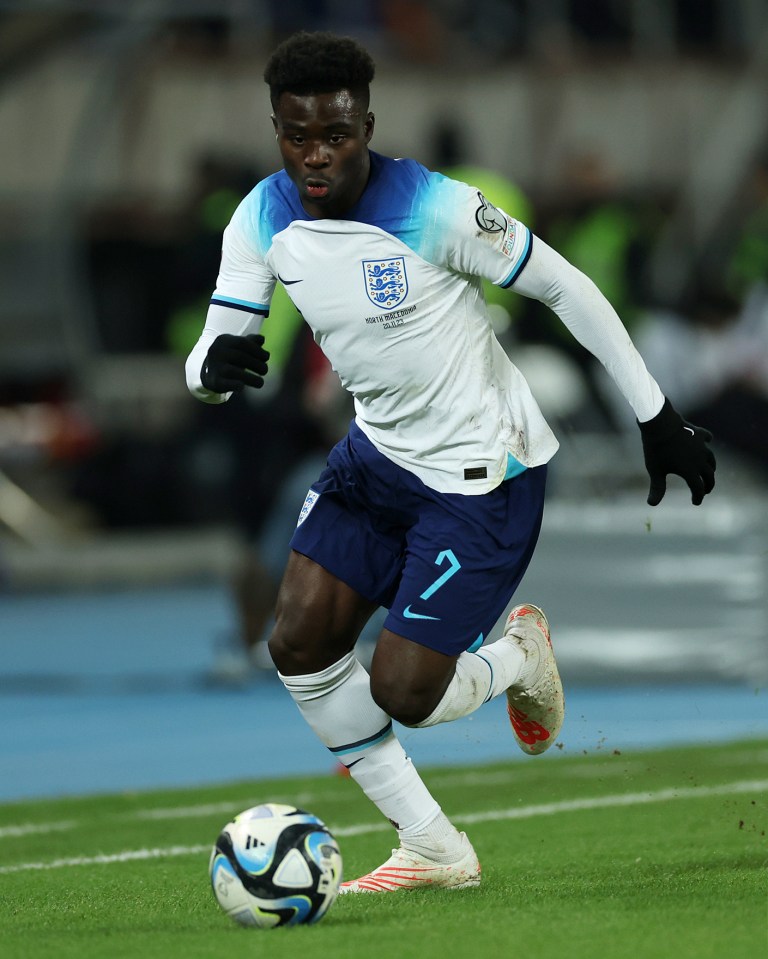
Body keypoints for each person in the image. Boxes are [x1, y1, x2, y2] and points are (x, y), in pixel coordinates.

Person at [185, 31, 716, 893]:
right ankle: (433, 846)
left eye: (337, 135)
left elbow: (567, 287)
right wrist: (206, 374)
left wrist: (655, 414)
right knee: (297, 644)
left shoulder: (437, 207)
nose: (316, 156)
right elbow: (218, 346)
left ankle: (520, 654)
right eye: (297, 136)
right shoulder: (261, 214)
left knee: (406, 691)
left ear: (367, 124)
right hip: (376, 459)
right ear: (276, 128)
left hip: (482, 475)